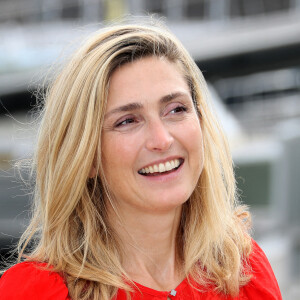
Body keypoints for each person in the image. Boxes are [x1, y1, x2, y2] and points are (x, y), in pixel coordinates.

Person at [0, 19, 282, 300]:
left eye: (176, 109)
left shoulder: (243, 269)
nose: (162, 140)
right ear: (86, 156)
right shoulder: (33, 292)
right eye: (127, 121)